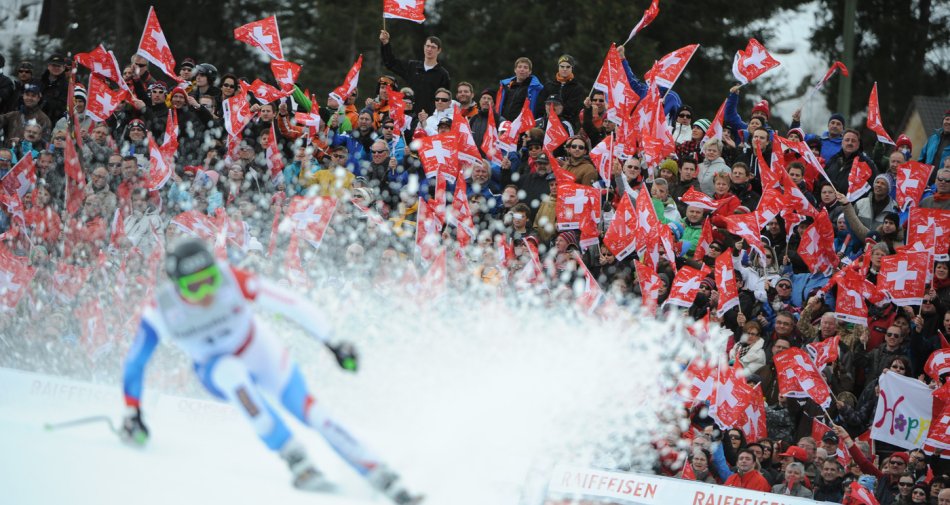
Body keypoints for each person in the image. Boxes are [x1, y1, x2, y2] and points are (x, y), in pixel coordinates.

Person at [120, 238, 421, 503]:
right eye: (193, 286)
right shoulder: (161, 310)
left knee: (312, 412)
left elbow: (290, 303)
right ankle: (294, 456)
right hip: (214, 368)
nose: (206, 292)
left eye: (209, 279)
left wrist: (332, 341)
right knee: (230, 372)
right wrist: (133, 412)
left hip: (259, 350)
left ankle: (378, 471)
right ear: (176, 285)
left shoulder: (231, 279)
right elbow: (136, 362)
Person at [379, 29, 450, 116]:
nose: (429, 49)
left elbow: (445, 100)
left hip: (430, 120)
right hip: (409, 118)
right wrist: (385, 43)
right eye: (427, 46)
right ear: (424, 47)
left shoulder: (442, 74)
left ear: (439, 50)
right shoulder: (412, 66)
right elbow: (390, 63)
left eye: (433, 47)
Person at [919, 109, 950, 173]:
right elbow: (921, 159)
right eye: (947, 119)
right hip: (926, 181)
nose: (949, 122)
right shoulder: (933, 138)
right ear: (943, 121)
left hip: (944, 182)